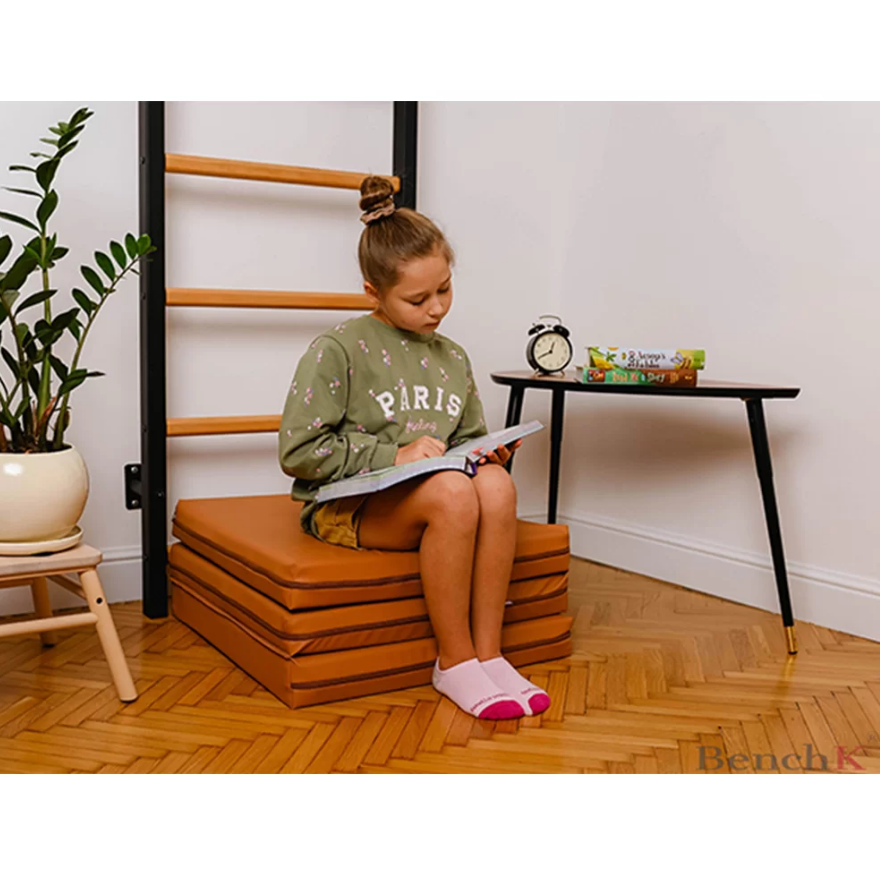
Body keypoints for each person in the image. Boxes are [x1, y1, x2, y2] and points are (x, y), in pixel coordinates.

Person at [278, 176, 550, 720]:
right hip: (349, 508)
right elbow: (299, 450)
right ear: (373, 292)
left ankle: (490, 655)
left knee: (495, 485)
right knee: (452, 492)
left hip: (430, 496)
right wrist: (392, 456)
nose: (437, 309)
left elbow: (467, 437)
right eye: (417, 298)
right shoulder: (339, 348)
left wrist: (487, 454)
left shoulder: (452, 356)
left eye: (445, 289)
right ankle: (454, 661)